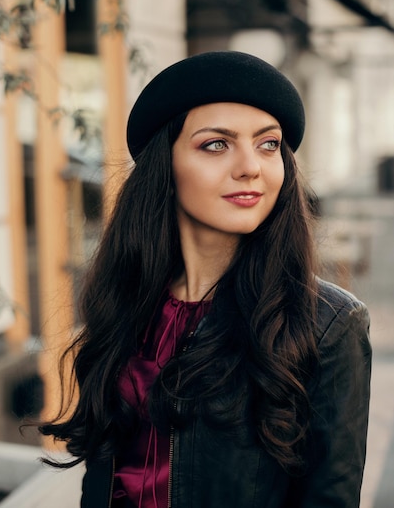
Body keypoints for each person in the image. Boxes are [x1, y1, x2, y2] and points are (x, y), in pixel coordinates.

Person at [40, 51, 372, 508]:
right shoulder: (125, 299)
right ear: (166, 166)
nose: (250, 167)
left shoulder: (329, 325)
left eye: (268, 144)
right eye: (217, 144)